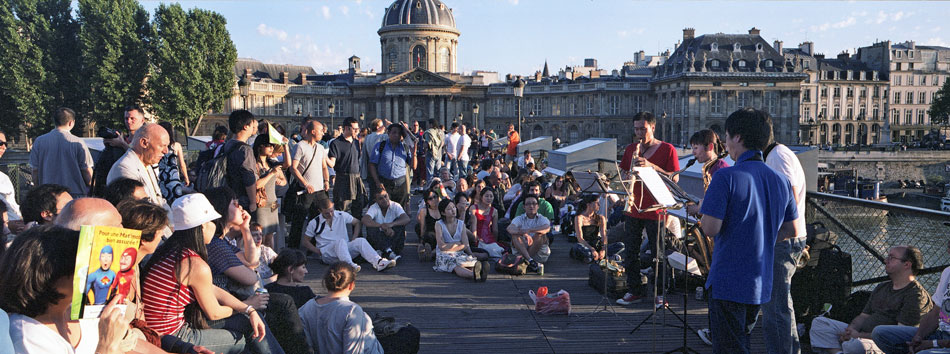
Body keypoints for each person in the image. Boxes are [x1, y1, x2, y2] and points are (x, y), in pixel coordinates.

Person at [699, 108, 799, 354]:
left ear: (738, 138)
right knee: (742, 340)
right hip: (759, 282)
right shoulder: (781, 180)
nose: (725, 143)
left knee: (730, 347)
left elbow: (710, 228)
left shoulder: (725, 177)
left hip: (728, 280)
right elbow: (792, 228)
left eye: (727, 137)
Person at [141, 194, 283, 354]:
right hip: (175, 336)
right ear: (202, 226)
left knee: (249, 322)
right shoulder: (194, 264)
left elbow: (212, 289)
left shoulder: (172, 250)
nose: (215, 227)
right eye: (212, 222)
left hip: (163, 330)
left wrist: (248, 308)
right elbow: (214, 312)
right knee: (245, 338)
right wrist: (247, 308)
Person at [1, 225, 164, 354]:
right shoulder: (28, 336)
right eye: (79, 266)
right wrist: (106, 347)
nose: (87, 272)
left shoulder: (80, 313)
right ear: (48, 276)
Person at [808, 246, 931, 354]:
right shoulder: (882, 287)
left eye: (891, 258)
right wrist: (851, 330)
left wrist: (858, 336)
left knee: (854, 346)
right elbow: (863, 316)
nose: (885, 260)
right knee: (820, 323)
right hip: (861, 333)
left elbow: (900, 336)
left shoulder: (915, 296)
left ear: (907, 264)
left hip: (885, 343)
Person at [616, 111, 681, 306]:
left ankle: (660, 293)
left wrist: (651, 166)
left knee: (658, 253)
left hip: (656, 207)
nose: (639, 133)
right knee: (631, 251)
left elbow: (674, 178)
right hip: (634, 206)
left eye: (643, 129)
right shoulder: (631, 149)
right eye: (636, 129)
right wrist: (625, 177)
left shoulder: (668, 149)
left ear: (653, 127)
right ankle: (635, 289)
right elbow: (624, 172)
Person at [298, 263, 420, 354]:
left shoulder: (306, 308)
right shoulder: (351, 311)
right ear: (351, 285)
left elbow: (306, 344)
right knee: (411, 333)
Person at [762, 139, 809, 354]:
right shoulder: (777, 155)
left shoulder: (777, 157)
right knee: (777, 304)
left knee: (777, 306)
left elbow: (787, 194)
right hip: (784, 237)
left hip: (783, 238)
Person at [872, 240, 950, 354]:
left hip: (944, 343)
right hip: (941, 335)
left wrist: (932, 344)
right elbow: (935, 313)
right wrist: (918, 337)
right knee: (880, 333)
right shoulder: (948, 273)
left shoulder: (915, 293)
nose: (948, 250)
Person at [304, 198, 395, 272]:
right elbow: (305, 241)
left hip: (344, 250)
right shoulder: (314, 222)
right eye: (326, 213)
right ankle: (349, 265)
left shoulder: (341, 215)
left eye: (331, 211)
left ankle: (379, 262)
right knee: (340, 241)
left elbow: (357, 222)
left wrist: (354, 238)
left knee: (360, 241)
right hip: (327, 253)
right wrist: (318, 251)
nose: (330, 214)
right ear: (320, 211)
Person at [29, 107, 94, 198]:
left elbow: (35, 169)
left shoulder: (39, 141)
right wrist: (93, 186)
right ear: (71, 122)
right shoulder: (78, 142)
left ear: (54, 121)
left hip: (47, 194)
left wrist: (37, 187)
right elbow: (86, 171)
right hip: (74, 193)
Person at [106, 123, 170, 208]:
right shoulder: (125, 169)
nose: (166, 151)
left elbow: (159, 200)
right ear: (144, 143)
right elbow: (135, 212)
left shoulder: (147, 164)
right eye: (162, 146)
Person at [289, 119, 330, 250]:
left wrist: (326, 180)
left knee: (319, 218)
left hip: (319, 190)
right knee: (299, 220)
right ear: (313, 132)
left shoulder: (321, 147)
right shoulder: (300, 146)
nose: (323, 133)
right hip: (305, 190)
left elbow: (324, 167)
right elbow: (293, 168)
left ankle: (315, 246)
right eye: (320, 131)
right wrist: (305, 184)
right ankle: (293, 248)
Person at [433, 199, 489, 281]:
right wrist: (457, 244)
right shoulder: (439, 224)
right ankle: (473, 275)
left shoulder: (461, 224)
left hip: (457, 253)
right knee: (455, 265)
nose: (453, 210)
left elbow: (465, 244)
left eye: (453, 207)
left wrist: (470, 253)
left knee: (468, 263)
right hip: (443, 255)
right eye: (449, 209)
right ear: (443, 213)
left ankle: (479, 274)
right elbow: (441, 246)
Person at [221, 110, 261, 213]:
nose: (253, 127)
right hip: (242, 201)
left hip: (227, 196)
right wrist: (252, 202)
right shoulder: (245, 149)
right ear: (245, 126)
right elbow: (248, 177)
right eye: (252, 124)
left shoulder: (226, 145)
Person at [369, 123, 416, 208]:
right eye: (394, 132)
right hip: (384, 183)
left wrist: (414, 152)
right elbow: (372, 164)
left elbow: (414, 166)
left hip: (401, 185)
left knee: (399, 210)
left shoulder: (405, 148)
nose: (396, 135)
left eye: (399, 133)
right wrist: (377, 182)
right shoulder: (380, 146)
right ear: (388, 133)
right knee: (384, 209)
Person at [685, 129, 729, 217]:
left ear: (710, 147)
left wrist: (697, 208)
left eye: (696, 148)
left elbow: (718, 202)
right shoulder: (711, 167)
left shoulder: (720, 169)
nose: (693, 152)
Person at [253, 134, 287, 245]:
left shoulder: (271, 163)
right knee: (259, 237)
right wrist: (271, 174)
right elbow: (257, 185)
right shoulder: (255, 164)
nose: (272, 148)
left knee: (270, 236)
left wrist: (285, 146)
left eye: (273, 146)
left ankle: (270, 260)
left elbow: (287, 165)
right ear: (260, 147)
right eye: (269, 145)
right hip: (262, 205)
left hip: (273, 204)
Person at [327, 117, 364, 217]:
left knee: (358, 210)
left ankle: (358, 232)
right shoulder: (336, 143)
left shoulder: (357, 142)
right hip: (343, 178)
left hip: (356, 178)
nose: (357, 131)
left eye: (358, 129)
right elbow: (332, 163)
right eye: (354, 129)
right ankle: (341, 232)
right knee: (341, 210)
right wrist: (322, 155)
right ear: (347, 128)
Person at [362, 189, 410, 261]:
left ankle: (384, 251)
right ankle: (388, 251)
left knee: (400, 224)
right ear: (376, 201)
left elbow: (406, 219)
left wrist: (391, 224)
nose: (384, 200)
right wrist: (381, 226)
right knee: (371, 227)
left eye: (385, 196)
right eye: (381, 198)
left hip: (392, 239)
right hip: (379, 238)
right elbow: (365, 220)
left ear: (388, 196)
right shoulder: (374, 207)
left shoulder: (395, 205)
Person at [507, 195, 551, 273]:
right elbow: (510, 228)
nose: (531, 206)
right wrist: (523, 232)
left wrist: (530, 231)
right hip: (522, 249)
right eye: (528, 204)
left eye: (534, 204)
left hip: (538, 254)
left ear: (538, 206)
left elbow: (546, 228)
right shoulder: (519, 218)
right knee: (515, 235)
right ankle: (530, 260)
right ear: (524, 207)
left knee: (540, 235)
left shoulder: (543, 219)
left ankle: (527, 261)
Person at [156, 122, 189, 205]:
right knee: (177, 203)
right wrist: (186, 178)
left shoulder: (158, 146)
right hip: (174, 178)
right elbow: (182, 165)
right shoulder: (176, 146)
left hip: (161, 178)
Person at [571, 194, 607, 263]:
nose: (599, 204)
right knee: (587, 253)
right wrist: (592, 249)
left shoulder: (601, 218)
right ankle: (595, 257)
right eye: (597, 202)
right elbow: (580, 238)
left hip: (596, 243)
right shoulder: (579, 218)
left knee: (620, 245)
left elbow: (604, 236)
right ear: (589, 204)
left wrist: (603, 249)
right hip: (584, 245)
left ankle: (599, 256)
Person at [362, 119, 388, 197]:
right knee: (383, 193)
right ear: (377, 127)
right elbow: (393, 135)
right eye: (382, 126)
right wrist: (389, 125)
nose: (384, 128)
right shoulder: (382, 136)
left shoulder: (367, 137)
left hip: (370, 167)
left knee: (373, 193)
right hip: (380, 167)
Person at [415, 189, 442, 261]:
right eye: (430, 198)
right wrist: (421, 241)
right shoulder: (424, 211)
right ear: (427, 201)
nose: (434, 200)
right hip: (430, 234)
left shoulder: (443, 209)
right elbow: (423, 227)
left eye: (435, 197)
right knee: (429, 235)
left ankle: (431, 253)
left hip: (442, 233)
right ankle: (427, 249)